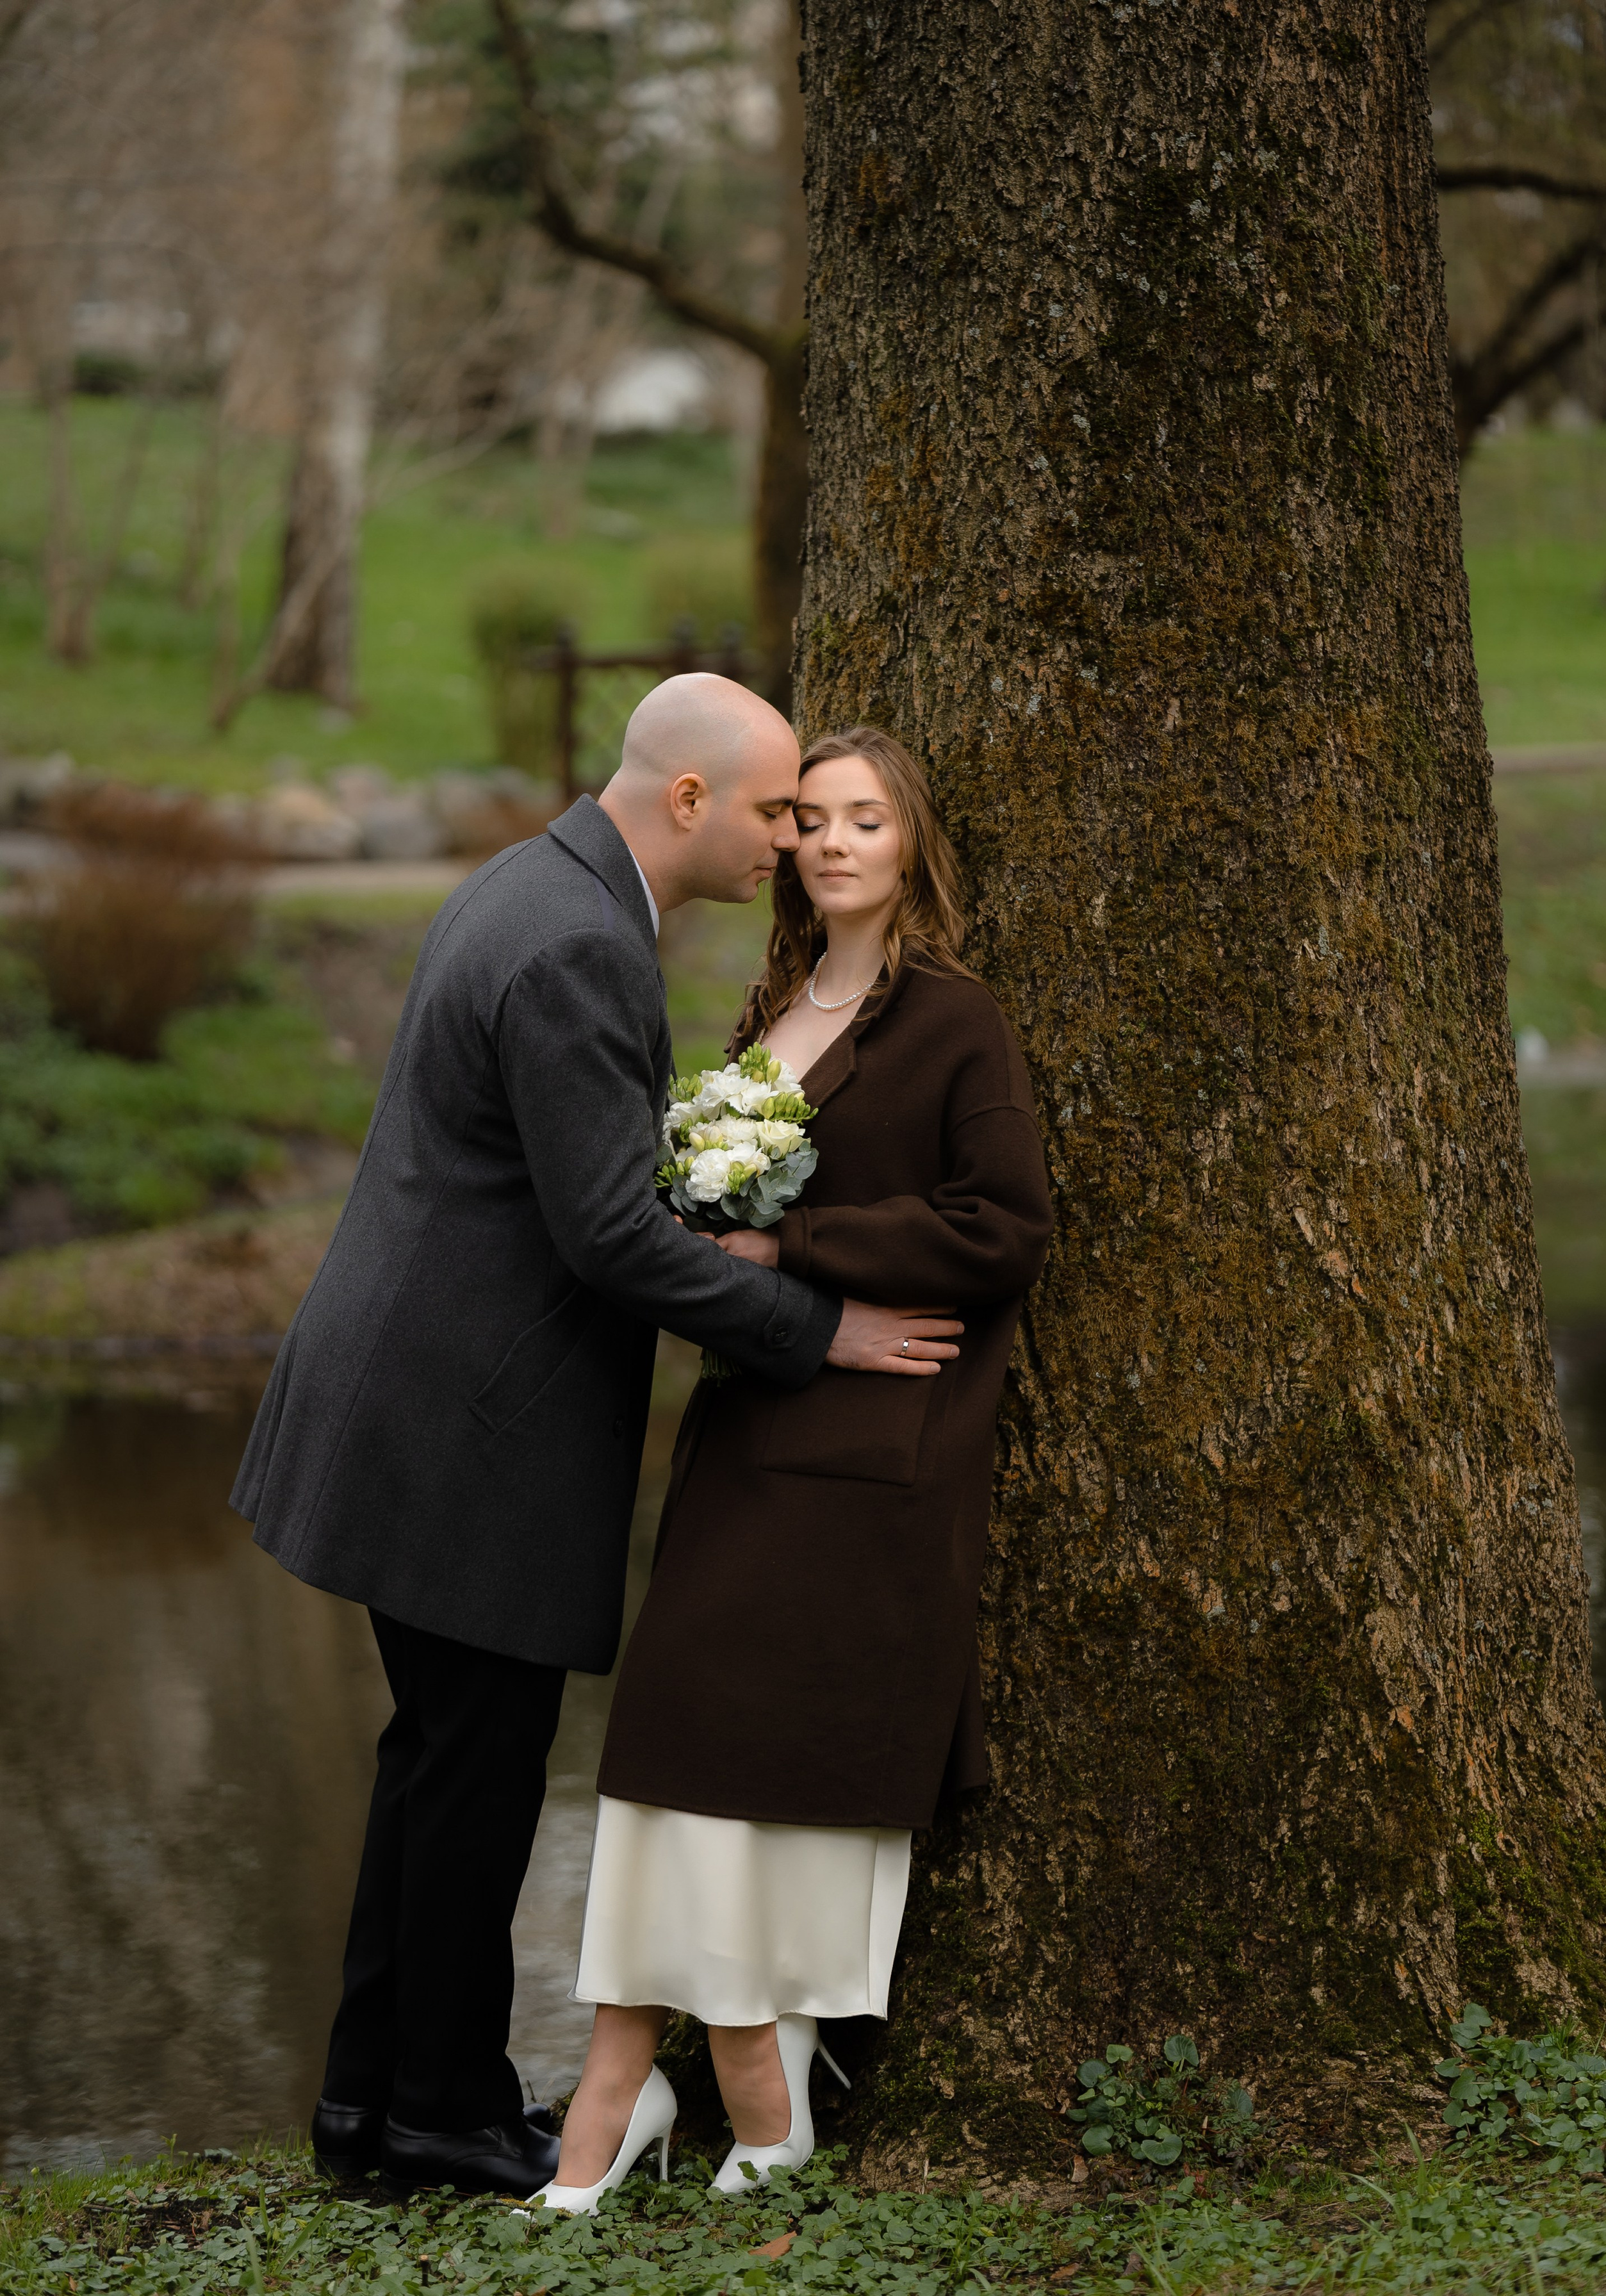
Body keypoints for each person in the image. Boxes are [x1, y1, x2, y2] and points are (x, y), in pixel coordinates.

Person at [229, 680, 963, 2201]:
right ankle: (440, 2111)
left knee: (436, 1761)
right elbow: (611, 1238)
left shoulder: (531, 880)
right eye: (771, 809)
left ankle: (372, 2106)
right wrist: (817, 1326)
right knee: (475, 1772)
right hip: (459, 1429)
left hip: (407, 1399)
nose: (787, 839)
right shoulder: (579, 943)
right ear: (687, 799)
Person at [529, 726, 1053, 2214]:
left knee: (758, 1761)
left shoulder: (951, 1019)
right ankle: (662, 2083)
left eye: (863, 819)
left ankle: (737, 2074)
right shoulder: (772, 1004)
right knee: (670, 1739)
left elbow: (1005, 1226)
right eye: (810, 817)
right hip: (749, 1432)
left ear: (912, 844)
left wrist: (795, 1246)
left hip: (874, 1456)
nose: (829, 842)